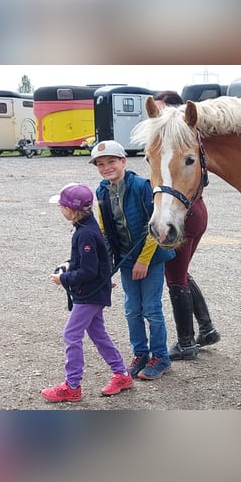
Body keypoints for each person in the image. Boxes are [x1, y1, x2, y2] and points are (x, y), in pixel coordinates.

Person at [90, 139, 176, 380]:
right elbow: (106, 232)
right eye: (100, 164)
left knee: (151, 309)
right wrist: (107, 269)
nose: (106, 167)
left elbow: (157, 227)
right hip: (126, 260)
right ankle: (140, 354)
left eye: (111, 161)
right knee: (131, 310)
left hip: (151, 258)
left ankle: (161, 357)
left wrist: (144, 260)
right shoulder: (101, 192)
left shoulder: (142, 186)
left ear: (123, 161)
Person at [42, 183, 134, 402]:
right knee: (98, 334)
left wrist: (63, 279)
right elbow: (93, 261)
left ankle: (72, 386)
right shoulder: (87, 226)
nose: (60, 210)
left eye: (62, 206)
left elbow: (89, 270)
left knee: (71, 335)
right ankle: (122, 374)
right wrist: (69, 263)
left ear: (72, 210)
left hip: (89, 295)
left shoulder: (85, 234)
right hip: (94, 292)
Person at [153, 90, 220, 361]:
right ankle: (207, 329)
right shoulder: (174, 139)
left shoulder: (179, 138)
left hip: (184, 213)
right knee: (182, 272)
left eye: (160, 109)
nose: (157, 116)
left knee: (176, 278)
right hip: (197, 211)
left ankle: (185, 343)